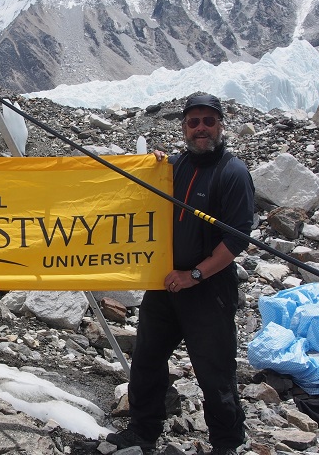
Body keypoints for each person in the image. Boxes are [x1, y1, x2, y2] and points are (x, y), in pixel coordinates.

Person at [106, 94, 254, 455]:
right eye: (193, 122)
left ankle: (225, 444)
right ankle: (142, 433)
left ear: (220, 125)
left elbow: (236, 241)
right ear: (184, 128)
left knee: (214, 371)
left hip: (208, 289)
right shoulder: (174, 166)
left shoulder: (233, 173)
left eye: (208, 121)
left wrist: (195, 275)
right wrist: (151, 164)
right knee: (146, 360)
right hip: (166, 284)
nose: (201, 128)